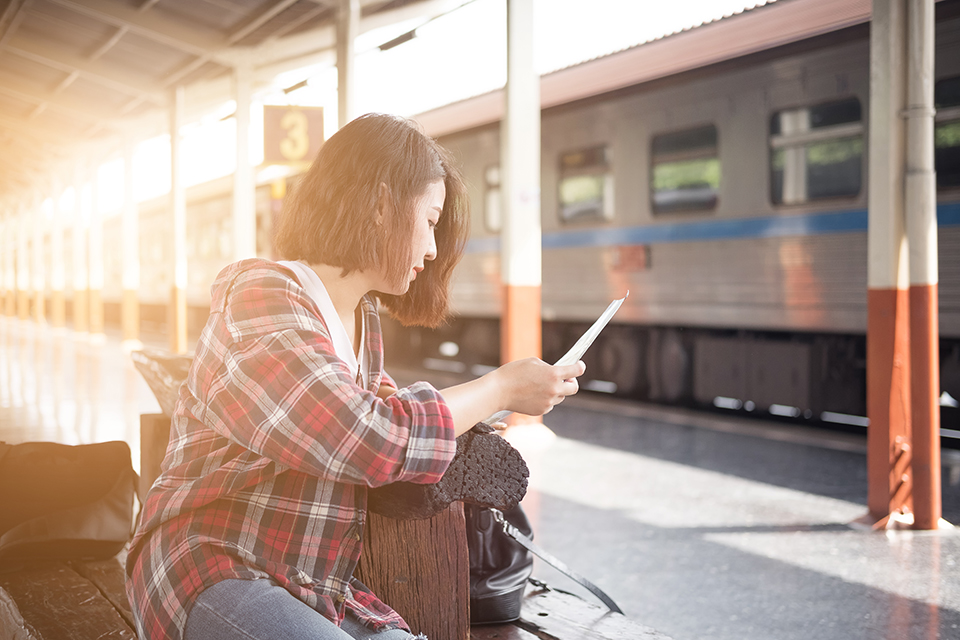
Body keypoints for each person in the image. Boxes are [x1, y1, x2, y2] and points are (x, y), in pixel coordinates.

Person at [125, 113, 585, 640]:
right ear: (380, 204)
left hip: (315, 585)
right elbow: (366, 434)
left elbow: (391, 412)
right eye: (430, 220)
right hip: (213, 566)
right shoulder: (259, 295)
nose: (432, 250)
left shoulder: (361, 318)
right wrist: (501, 388)